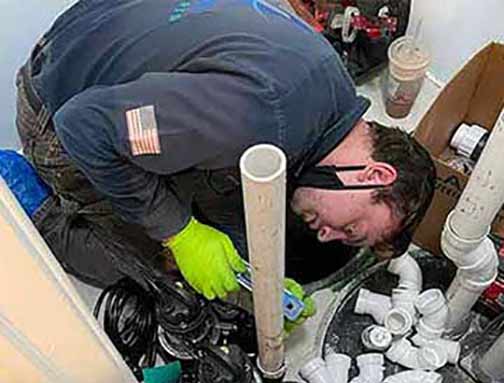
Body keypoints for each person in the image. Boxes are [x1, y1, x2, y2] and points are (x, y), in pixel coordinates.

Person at [15, 0, 435, 329]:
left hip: (113, 24)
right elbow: (84, 126)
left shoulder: (332, 86)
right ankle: (35, 207)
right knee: (167, 270)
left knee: (224, 208)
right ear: (375, 174)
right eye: (350, 229)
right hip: (58, 109)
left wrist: (257, 280)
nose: (327, 236)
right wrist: (179, 234)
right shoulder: (257, 117)